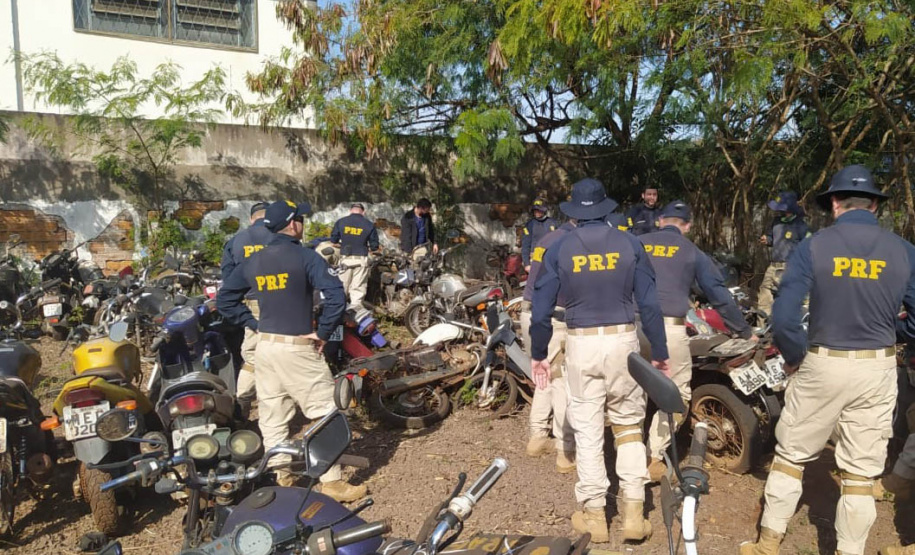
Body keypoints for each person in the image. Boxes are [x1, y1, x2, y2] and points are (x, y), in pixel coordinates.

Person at [741, 165, 915, 555]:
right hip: (878, 367)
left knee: (790, 455)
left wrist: (795, 356)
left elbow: (784, 317)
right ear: (874, 205)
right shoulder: (905, 252)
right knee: (861, 470)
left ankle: (767, 543)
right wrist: (891, 334)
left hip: (822, 360)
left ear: (835, 203)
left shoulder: (813, 246)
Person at [531, 177, 670, 543]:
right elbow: (651, 305)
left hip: (580, 343)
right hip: (624, 340)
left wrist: (538, 354)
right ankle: (634, 515)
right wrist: (660, 353)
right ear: (606, 207)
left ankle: (595, 517)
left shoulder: (559, 247)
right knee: (627, 426)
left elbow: (541, 309)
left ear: (574, 211)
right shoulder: (629, 242)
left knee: (589, 428)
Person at [217, 200, 367, 503]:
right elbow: (336, 297)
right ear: (293, 224)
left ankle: (283, 480)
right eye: (300, 218)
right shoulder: (305, 256)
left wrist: (252, 323)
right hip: (297, 347)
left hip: (266, 348)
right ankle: (333, 482)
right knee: (326, 410)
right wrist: (324, 333)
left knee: (273, 416)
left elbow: (225, 301)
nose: (302, 223)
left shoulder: (254, 262)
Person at [640, 200, 758, 481]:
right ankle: (652, 457)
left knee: (632, 393)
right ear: (688, 226)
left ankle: (625, 453)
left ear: (660, 221)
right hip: (667, 329)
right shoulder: (692, 252)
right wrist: (743, 331)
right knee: (677, 393)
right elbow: (718, 294)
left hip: (628, 326)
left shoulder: (637, 243)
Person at [519, 219, 575, 473]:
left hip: (530, 311)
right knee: (562, 381)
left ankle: (537, 436)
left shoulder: (547, 239)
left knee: (546, 376)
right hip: (554, 316)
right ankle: (565, 450)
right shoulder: (570, 243)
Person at [220, 201, 271, 406]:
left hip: (254, 303)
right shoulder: (281, 238)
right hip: (285, 303)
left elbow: (228, 279)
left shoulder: (236, 241)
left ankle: (242, 402)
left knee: (252, 356)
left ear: (251, 219)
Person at [757, 191, 810, 317]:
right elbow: (771, 238)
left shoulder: (801, 226)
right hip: (774, 266)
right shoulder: (776, 222)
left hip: (791, 267)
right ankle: (763, 327)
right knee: (765, 293)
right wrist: (767, 239)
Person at [330, 203, 380, 307]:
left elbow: (333, 240)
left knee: (342, 289)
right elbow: (374, 246)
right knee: (357, 290)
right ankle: (355, 316)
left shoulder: (341, 222)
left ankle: (339, 315)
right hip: (361, 260)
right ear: (363, 212)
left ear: (350, 210)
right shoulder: (369, 224)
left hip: (345, 260)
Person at [520, 198, 558, 272]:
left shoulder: (553, 223)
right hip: (535, 260)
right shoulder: (529, 225)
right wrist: (526, 264)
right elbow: (525, 245)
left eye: (539, 210)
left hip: (551, 259)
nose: (537, 212)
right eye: (535, 210)